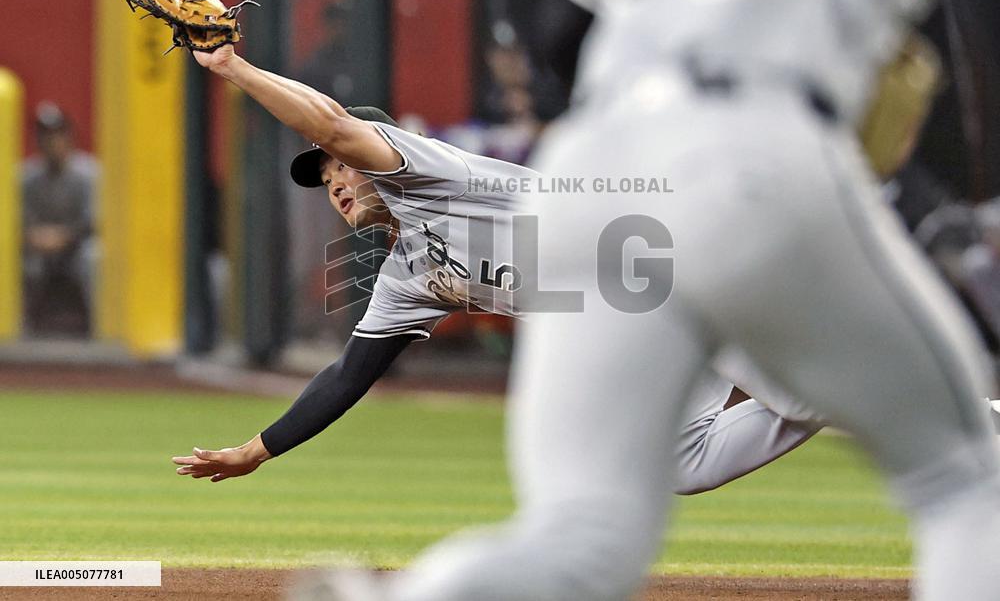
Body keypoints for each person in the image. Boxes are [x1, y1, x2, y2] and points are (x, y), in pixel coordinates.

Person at [309, 0, 1000, 599]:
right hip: (756, 143)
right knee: (962, 478)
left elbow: (557, 34)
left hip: (591, 172)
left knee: (583, 532)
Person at [171, 44, 822, 496]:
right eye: (324, 179)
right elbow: (349, 373)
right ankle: (839, 390)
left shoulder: (425, 172)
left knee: (802, 393)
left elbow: (334, 124)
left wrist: (233, 68)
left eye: (341, 165)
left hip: (667, 259)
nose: (335, 182)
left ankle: (857, 382)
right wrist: (257, 450)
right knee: (686, 459)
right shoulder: (406, 276)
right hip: (634, 318)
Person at [21, 101, 98, 336]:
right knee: (22, 262)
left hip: (77, 247)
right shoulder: (27, 177)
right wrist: (33, 237)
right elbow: (19, 222)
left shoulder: (89, 173)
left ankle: (100, 328)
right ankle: (19, 330)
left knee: (93, 256)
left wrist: (64, 237)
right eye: (45, 136)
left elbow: (94, 222)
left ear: (69, 137)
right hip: (38, 249)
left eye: (57, 135)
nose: (52, 141)